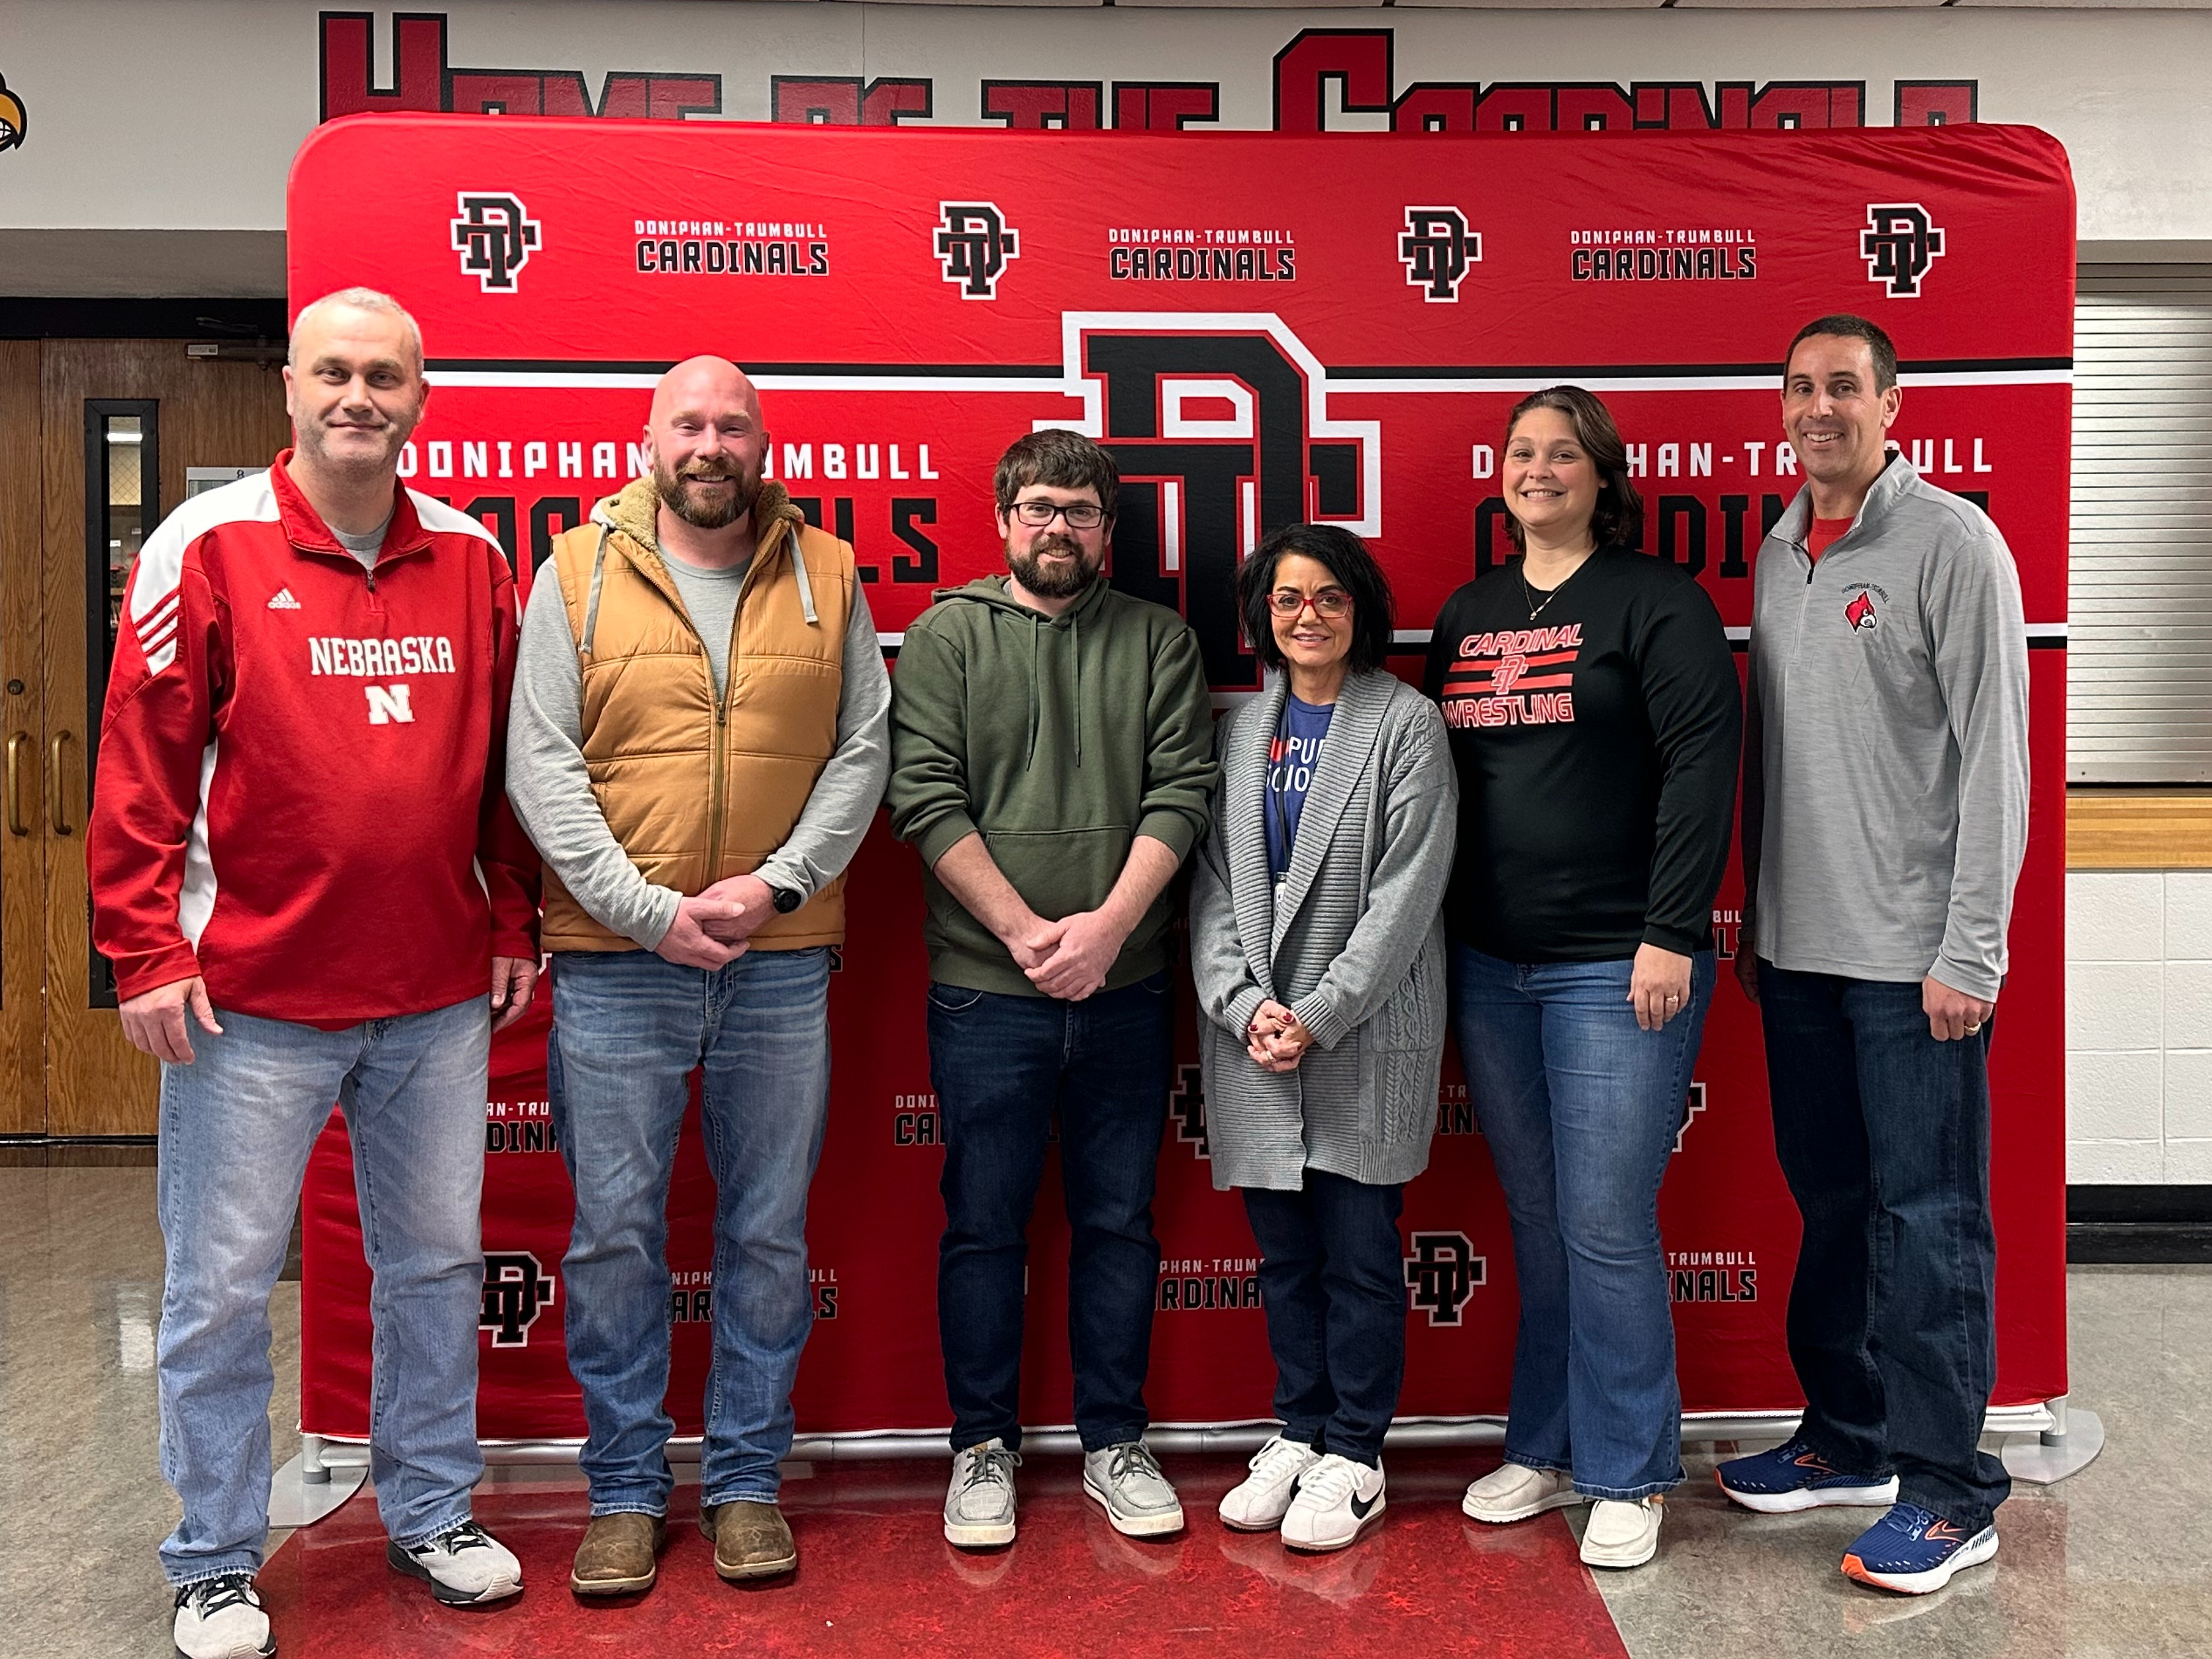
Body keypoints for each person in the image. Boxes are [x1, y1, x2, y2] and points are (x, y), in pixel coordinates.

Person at [87, 287, 540, 1659]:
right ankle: (216, 1557)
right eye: (335, 372)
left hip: (434, 995)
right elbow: (140, 768)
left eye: (385, 376)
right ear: (290, 388)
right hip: (251, 1003)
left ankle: (430, 1510)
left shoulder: (471, 557)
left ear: (420, 396)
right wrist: (142, 949)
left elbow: (498, 779)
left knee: (431, 1266)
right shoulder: (202, 546)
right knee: (223, 1282)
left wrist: (511, 916)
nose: (360, 395)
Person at [505, 357, 889, 1594]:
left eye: (732, 422)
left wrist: (773, 888)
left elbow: (861, 754)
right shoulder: (572, 571)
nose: (710, 442)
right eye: (689, 422)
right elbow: (541, 769)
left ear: (763, 439)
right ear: (651, 439)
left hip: (779, 963)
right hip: (618, 966)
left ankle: (742, 1485)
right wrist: (648, 912)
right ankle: (623, 1489)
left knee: (768, 1234)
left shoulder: (829, 574)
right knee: (615, 1235)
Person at [1718, 315, 2029, 1596]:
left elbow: (1997, 761)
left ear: (1892, 404)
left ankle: (1954, 1489)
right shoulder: (1783, 548)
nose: (1817, 407)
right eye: (1798, 387)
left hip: (1916, 969)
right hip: (1799, 959)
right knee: (1837, 1208)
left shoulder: (1951, 542)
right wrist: (1761, 932)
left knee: (1929, 1218)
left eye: (1844, 386)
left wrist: (1971, 951)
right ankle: (1848, 1438)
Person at [1426, 386, 1740, 1571]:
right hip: (1491, 963)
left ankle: (1630, 1469)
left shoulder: (1657, 601)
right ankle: (1548, 1444)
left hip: (1620, 960)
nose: (1540, 469)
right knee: (1542, 1217)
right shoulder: (1469, 613)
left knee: (1606, 1219)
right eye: (1522, 452)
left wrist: (1673, 929)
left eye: (1565, 454)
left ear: (1604, 478)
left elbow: (1704, 767)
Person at [887, 429, 1217, 1548]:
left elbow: (1183, 792)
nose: (1058, 528)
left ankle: (1112, 1442)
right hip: (989, 989)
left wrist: (1108, 931)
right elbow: (924, 794)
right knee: (984, 1226)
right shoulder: (945, 635)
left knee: (1119, 1223)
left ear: (1108, 531)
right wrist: (1031, 935)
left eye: (1080, 511)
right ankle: (982, 1445)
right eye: (1038, 509)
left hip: (1126, 989)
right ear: (1003, 522)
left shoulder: (1159, 641)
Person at [1189, 525, 1456, 1553]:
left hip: (1361, 1035)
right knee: (1284, 1257)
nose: (1308, 616)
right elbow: (1210, 884)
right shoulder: (1238, 731)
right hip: (1255, 1041)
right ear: (1262, 614)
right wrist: (1242, 1003)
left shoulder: (1406, 726)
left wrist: (1320, 1012)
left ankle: (1356, 1451)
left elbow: (1405, 896)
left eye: (1330, 598)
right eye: (1288, 599)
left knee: (1358, 1257)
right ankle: (1298, 1429)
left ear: (1361, 611)